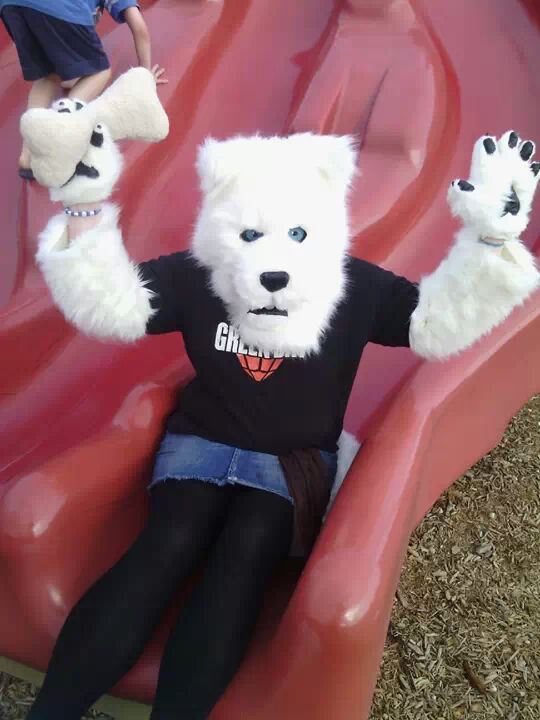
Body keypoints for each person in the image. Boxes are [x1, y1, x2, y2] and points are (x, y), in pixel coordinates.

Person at [21, 78, 540, 720]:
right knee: (167, 542)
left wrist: (489, 243)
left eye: (297, 234)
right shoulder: (200, 276)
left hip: (289, 467)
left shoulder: (353, 288)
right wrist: (83, 208)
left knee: (245, 555)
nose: (273, 260)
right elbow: (114, 305)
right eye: (249, 235)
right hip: (199, 445)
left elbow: (435, 323)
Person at [0, 0, 167, 179]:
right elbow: (139, 27)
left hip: (11, 7)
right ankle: (59, 129)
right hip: (58, 8)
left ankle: (27, 156)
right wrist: (144, 76)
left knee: (48, 75)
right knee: (100, 72)